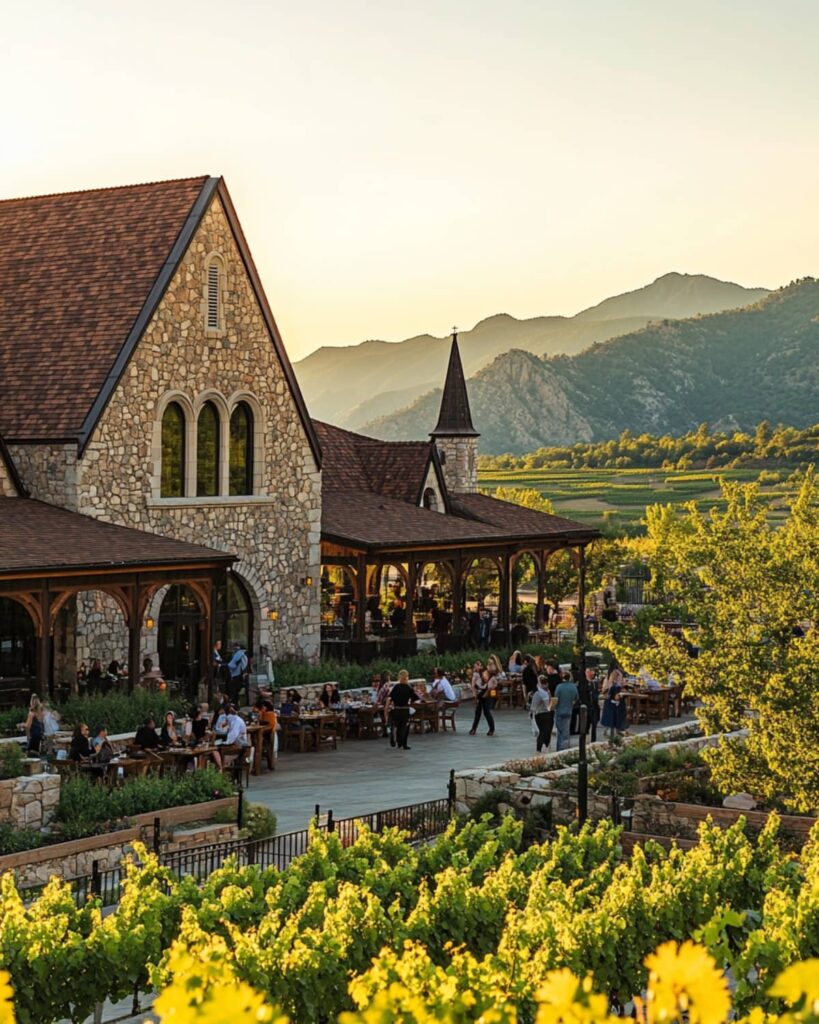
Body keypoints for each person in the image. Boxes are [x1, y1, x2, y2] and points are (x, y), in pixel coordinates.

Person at [386, 669, 419, 750]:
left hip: (396, 709)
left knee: (397, 726)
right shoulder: (408, 687)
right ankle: (404, 744)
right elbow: (416, 697)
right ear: (407, 677)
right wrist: (410, 701)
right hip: (405, 709)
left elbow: (390, 697)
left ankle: (398, 742)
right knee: (404, 727)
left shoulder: (396, 687)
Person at [552, 673, 579, 752]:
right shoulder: (573, 687)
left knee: (560, 730)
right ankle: (565, 748)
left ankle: (560, 748)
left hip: (559, 710)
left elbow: (556, 698)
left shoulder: (559, 687)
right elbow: (576, 698)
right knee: (566, 731)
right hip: (569, 710)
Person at [469, 667, 496, 737]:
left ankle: (491, 729)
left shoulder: (491, 679)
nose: (485, 675)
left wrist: (487, 692)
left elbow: (493, 686)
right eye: (483, 674)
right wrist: (475, 696)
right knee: (477, 712)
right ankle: (473, 729)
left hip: (488, 696)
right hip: (480, 695)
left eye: (486, 674)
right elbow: (474, 687)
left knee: (486, 712)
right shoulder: (479, 680)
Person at [601, 671, 627, 739]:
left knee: (611, 721)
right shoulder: (614, 685)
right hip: (612, 705)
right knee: (613, 720)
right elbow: (616, 697)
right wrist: (621, 695)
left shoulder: (611, 683)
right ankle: (612, 735)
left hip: (610, 704)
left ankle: (610, 733)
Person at [530, 676, 553, 752]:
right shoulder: (538, 694)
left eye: (545, 683)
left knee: (548, 731)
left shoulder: (548, 692)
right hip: (540, 714)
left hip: (548, 713)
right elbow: (533, 706)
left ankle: (546, 745)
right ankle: (539, 748)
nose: (545, 685)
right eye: (543, 683)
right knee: (543, 731)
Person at [577, 667, 600, 742]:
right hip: (586, 706)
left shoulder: (595, 683)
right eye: (589, 672)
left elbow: (596, 692)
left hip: (594, 705)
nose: (592, 673)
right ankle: (583, 739)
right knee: (585, 724)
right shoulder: (582, 683)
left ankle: (593, 740)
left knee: (594, 724)